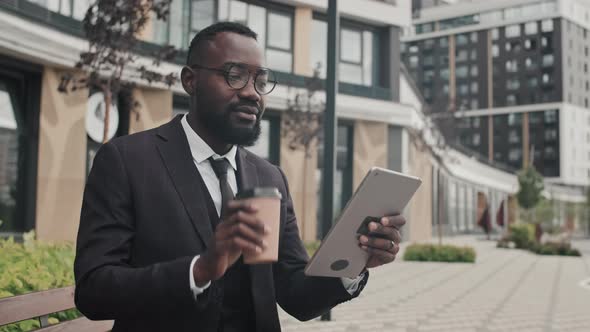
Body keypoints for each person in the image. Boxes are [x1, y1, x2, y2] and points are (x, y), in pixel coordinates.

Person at [74, 22, 406, 332]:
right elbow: (94, 289)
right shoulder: (127, 160)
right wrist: (199, 270)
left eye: (260, 81)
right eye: (234, 75)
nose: (252, 93)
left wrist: (354, 262)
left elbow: (296, 295)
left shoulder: (269, 178)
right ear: (190, 80)